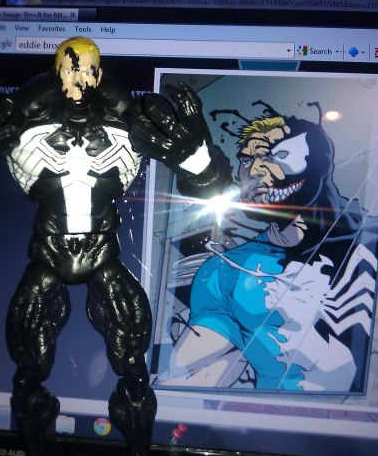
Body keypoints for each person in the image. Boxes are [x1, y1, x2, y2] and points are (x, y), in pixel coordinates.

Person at [0, 37, 231, 456]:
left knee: (132, 368)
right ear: (57, 74)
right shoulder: (24, 122)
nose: (80, 80)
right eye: (71, 70)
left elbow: (212, 189)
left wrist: (198, 157)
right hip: (49, 255)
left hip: (103, 254)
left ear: (99, 74)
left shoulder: (127, 123)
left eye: (88, 70)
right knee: (29, 368)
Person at [160, 114, 377, 392]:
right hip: (281, 415)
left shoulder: (369, 242)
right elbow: (196, 376)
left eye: (276, 156)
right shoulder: (225, 272)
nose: (254, 171)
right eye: (246, 160)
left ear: (320, 166)